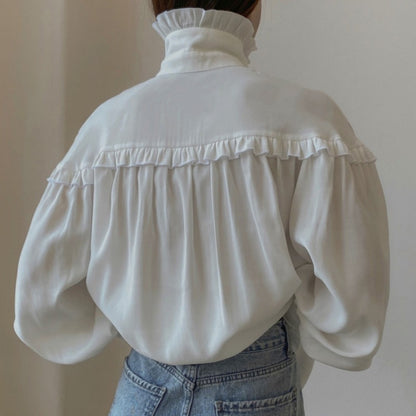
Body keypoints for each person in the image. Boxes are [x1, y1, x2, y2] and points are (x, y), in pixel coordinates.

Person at [13, 0, 390, 415]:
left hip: (143, 388)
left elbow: (43, 300)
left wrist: (139, 314)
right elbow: (351, 298)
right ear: (253, 6)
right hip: (257, 386)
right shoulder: (309, 119)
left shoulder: (106, 128)